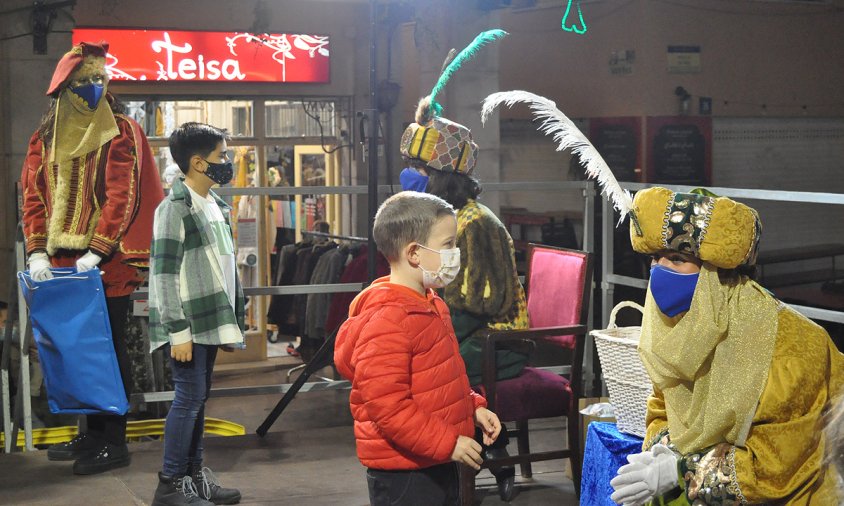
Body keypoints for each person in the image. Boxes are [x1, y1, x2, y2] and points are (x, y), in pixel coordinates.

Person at [610, 187, 844, 505]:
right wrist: (663, 451)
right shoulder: (677, 324)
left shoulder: (791, 346)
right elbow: (661, 408)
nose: (659, 271)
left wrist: (683, 470)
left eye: (677, 259)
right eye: (655, 258)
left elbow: (779, 462)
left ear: (715, 272)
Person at [21, 40, 163, 475]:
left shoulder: (120, 130)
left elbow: (124, 195)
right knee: (70, 348)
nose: (93, 90)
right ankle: (92, 430)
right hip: (60, 263)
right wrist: (37, 250)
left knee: (107, 347)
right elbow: (33, 197)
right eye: (84, 83)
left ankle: (113, 439)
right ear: (64, 89)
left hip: (107, 265)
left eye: (99, 80)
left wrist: (97, 250)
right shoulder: (44, 139)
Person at [334, 191, 503, 506]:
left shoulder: (430, 302)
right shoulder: (389, 319)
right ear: (414, 253)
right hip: (404, 471)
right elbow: (389, 406)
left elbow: (440, 378)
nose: (456, 253)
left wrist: (473, 407)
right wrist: (448, 442)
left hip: (433, 456)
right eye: (448, 245)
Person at [399, 96, 528, 500]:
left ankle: (481, 454)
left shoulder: (476, 223)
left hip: (498, 339)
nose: (411, 175)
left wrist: (430, 337)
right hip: (466, 330)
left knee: (430, 371)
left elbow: (483, 304)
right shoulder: (446, 219)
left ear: (442, 177)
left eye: (421, 169)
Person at [148, 122, 244, 506]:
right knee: (188, 399)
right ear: (199, 162)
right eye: (222, 156)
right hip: (188, 322)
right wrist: (177, 330)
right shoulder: (173, 209)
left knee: (198, 399)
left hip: (212, 318)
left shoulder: (215, 206)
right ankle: (170, 483)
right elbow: (164, 274)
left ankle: (193, 477)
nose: (228, 163)